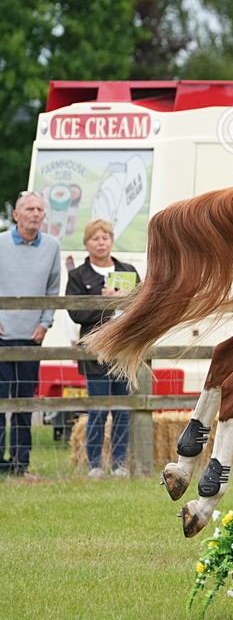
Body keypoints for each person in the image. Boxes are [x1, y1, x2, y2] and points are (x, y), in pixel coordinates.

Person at [66, 218, 141, 476]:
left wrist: (127, 300)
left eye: (105, 238)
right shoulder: (77, 276)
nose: (101, 243)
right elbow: (76, 313)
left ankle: (120, 463)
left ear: (111, 240)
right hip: (95, 352)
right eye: (95, 239)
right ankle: (95, 464)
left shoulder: (128, 271)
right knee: (98, 408)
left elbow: (142, 306)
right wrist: (105, 302)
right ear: (87, 243)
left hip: (124, 350)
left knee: (122, 408)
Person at [0, 192, 62, 476]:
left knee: (25, 401)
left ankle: (21, 462)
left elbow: (52, 288)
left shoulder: (51, 246)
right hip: (1, 334)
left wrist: (45, 323)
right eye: (29, 209)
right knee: (0, 401)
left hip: (32, 336)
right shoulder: (0, 243)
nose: (35, 214)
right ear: (16, 215)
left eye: (40, 209)